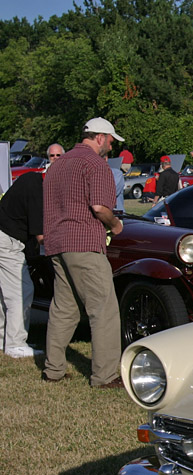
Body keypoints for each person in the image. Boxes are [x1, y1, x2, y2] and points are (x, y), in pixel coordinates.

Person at [41, 116, 125, 388]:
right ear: (100, 137)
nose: (111, 148)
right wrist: (116, 225)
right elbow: (100, 208)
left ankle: (53, 370)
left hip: (56, 243)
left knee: (64, 308)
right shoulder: (96, 165)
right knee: (104, 309)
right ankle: (105, 375)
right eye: (111, 142)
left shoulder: (56, 165)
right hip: (84, 242)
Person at [0, 172, 45, 358]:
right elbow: (41, 237)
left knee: (4, 293)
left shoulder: (30, 178)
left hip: (3, 236)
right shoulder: (37, 190)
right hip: (8, 242)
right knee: (21, 290)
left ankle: (4, 338)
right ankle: (16, 344)